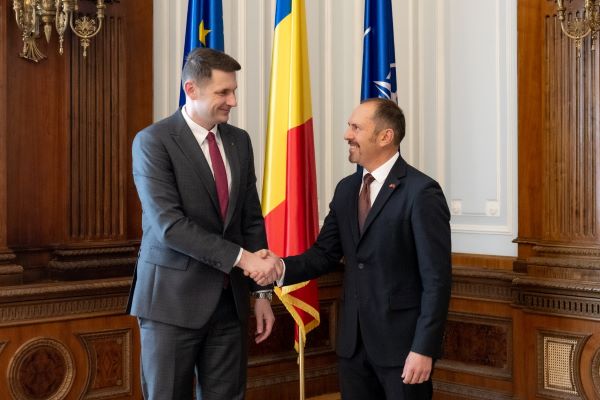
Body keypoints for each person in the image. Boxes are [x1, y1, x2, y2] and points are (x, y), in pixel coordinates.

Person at [258, 98, 452, 400]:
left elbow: (436, 280)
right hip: (352, 346)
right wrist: (279, 268)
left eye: (356, 128)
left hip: (403, 349)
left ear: (385, 136)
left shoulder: (421, 192)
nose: (347, 135)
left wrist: (423, 348)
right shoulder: (347, 189)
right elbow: (323, 255)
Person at [127, 48, 281, 400]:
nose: (233, 101)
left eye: (234, 91)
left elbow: (250, 219)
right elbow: (169, 226)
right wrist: (244, 259)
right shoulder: (153, 141)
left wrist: (261, 293)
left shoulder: (239, 141)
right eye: (223, 92)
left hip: (230, 304)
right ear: (191, 89)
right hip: (171, 303)